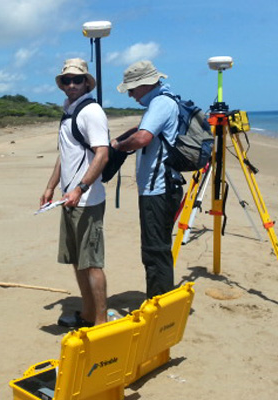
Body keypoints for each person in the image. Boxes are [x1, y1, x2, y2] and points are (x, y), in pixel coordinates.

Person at [40, 58, 110, 327]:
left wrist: (81, 188)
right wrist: (50, 187)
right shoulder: (68, 110)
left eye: (76, 80)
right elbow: (65, 154)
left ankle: (101, 323)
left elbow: (102, 154)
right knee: (78, 262)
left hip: (87, 200)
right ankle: (88, 313)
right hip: (68, 199)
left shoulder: (91, 112)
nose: (71, 85)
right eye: (66, 80)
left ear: (86, 82)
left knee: (91, 262)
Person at [111, 60, 184, 299]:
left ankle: (159, 305)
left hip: (158, 189)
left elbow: (142, 138)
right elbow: (142, 129)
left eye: (132, 89)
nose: (130, 95)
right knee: (157, 248)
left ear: (144, 84)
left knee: (155, 250)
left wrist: (118, 146)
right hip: (161, 188)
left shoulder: (161, 102)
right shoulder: (163, 100)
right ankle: (160, 301)